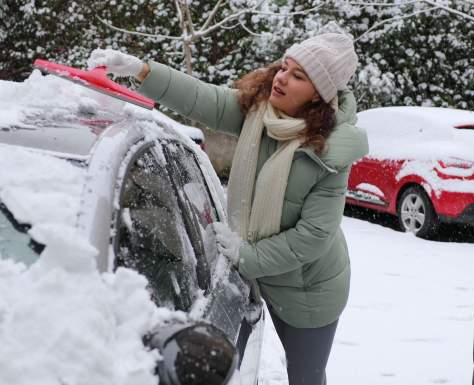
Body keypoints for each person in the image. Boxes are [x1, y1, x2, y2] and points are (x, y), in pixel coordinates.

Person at [88, 33, 368, 385]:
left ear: (319, 96)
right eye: (285, 67)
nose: (281, 78)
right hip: (257, 267)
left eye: (298, 76)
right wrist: (142, 70)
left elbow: (314, 236)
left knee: (306, 377)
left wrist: (245, 255)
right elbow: (202, 98)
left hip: (308, 290)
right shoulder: (258, 112)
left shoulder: (329, 151)